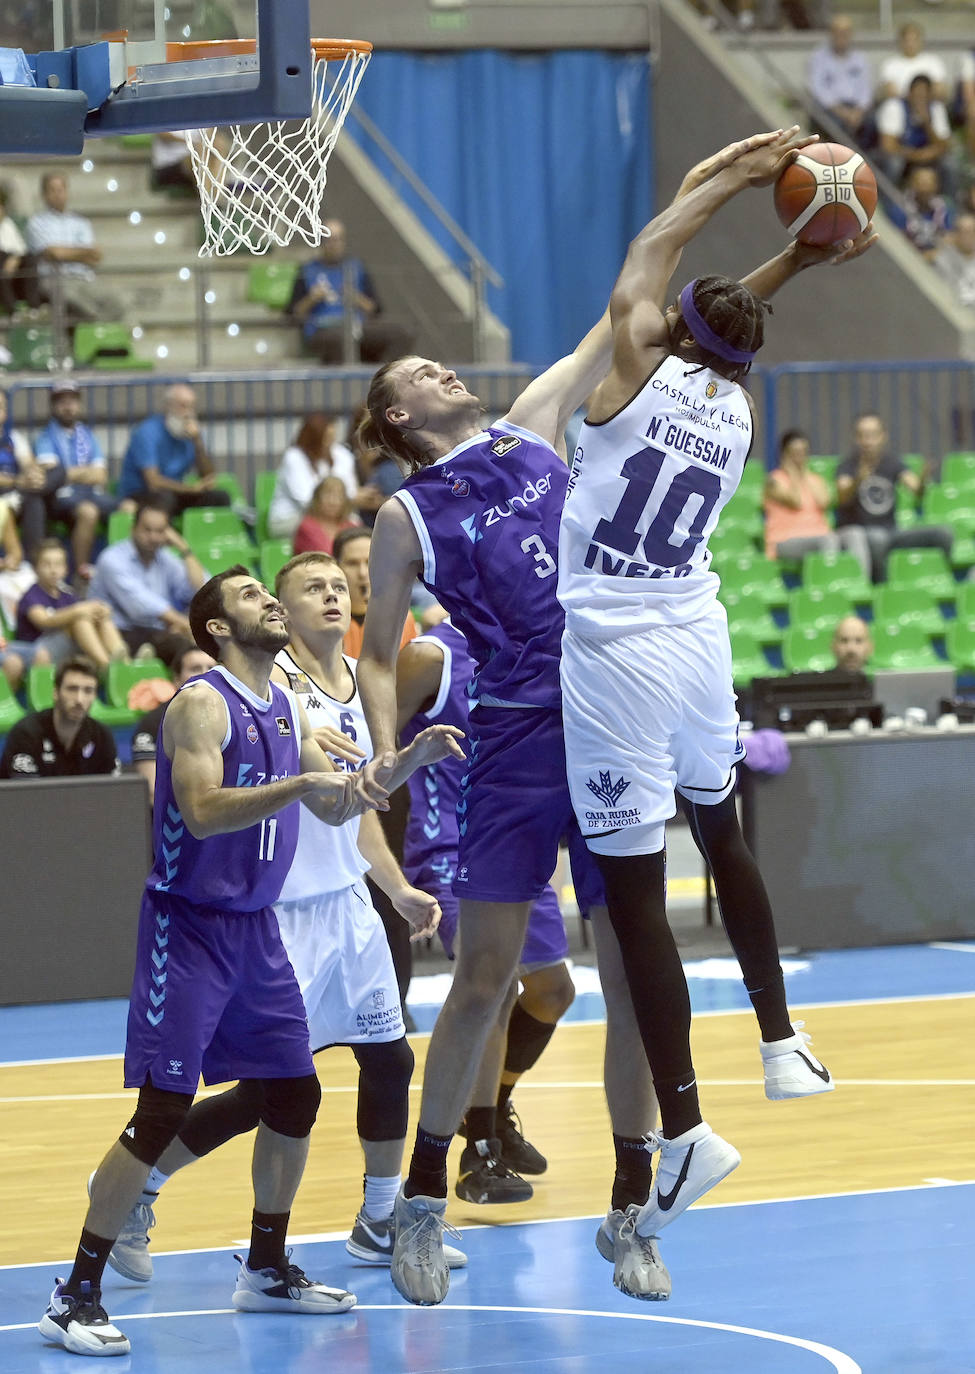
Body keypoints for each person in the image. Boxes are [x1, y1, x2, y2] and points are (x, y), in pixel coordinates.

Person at [352, 135, 805, 1308]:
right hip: (511, 735)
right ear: (394, 421)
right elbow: (374, 650)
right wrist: (385, 755)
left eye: (442, 366)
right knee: (487, 973)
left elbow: (641, 325)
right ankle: (416, 1202)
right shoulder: (405, 516)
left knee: (630, 959)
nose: (444, 372)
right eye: (420, 376)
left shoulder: (529, 421)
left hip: (617, 703)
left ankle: (630, 1209)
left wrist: (778, 253)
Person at [554, 132, 877, 1267]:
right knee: (723, 836)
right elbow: (727, 318)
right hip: (699, 629)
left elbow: (653, 257)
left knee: (635, 897)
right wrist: (805, 245)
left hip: (615, 641)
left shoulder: (631, 374)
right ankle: (782, 1040)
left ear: (668, 333)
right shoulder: (738, 411)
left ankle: (685, 1125)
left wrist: (729, 183)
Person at [37, 565, 387, 1358]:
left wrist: (375, 780)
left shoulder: (288, 704)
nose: (270, 600)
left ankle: (264, 1269)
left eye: (270, 592)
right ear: (219, 629)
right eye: (251, 598)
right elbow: (199, 812)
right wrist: (302, 779)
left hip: (255, 927)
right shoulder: (199, 704)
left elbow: (328, 801)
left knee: (294, 1094)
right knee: (162, 1109)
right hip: (188, 926)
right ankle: (75, 1294)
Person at [97, 552, 466, 1291]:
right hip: (274, 911)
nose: (333, 594)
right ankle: (139, 1191)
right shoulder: (266, 690)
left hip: (346, 902)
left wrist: (392, 885)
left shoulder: (363, 683)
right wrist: (309, 776)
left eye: (341, 584)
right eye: (311, 588)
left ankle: (377, 1217)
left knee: (387, 1060)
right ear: (281, 615)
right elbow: (274, 796)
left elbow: (353, 807)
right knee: (269, 1092)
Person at [396, 618, 579, 1204]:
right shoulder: (430, 655)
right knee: (492, 988)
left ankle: (493, 1112)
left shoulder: (537, 646)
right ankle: (478, 1154)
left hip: (515, 842)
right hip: (449, 845)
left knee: (552, 991)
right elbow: (372, 744)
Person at [835, 413, 952, 581]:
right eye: (863, 436)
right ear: (856, 439)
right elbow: (842, 497)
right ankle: (882, 591)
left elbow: (916, 491)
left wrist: (924, 479)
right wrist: (858, 480)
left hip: (892, 531)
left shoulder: (892, 462)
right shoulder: (847, 466)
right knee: (877, 539)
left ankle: (937, 580)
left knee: (943, 533)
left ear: (883, 436)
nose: (868, 441)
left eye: (873, 435)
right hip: (862, 532)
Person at [89, 497, 208, 659]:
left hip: (157, 633)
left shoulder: (164, 557)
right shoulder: (112, 559)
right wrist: (185, 625)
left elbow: (200, 588)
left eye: (159, 531)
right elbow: (141, 605)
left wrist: (183, 548)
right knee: (187, 649)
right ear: (133, 529)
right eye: (147, 530)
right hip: (121, 633)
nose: (153, 537)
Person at [288, 218, 414, 365]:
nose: (333, 245)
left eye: (337, 240)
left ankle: (383, 378)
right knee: (342, 341)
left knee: (403, 333)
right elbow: (292, 313)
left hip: (356, 325)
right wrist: (312, 298)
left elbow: (375, 310)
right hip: (322, 329)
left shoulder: (356, 267)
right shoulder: (307, 270)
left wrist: (356, 298)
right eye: (329, 240)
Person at [34, 380, 123, 577]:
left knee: (129, 508)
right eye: (62, 401)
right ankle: (80, 575)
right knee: (88, 512)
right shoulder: (45, 437)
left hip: (91, 492)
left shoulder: (87, 435)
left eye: (72, 401)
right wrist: (83, 472)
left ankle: (124, 571)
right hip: (60, 498)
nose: (68, 406)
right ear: (53, 406)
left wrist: (71, 473)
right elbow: (54, 476)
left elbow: (100, 475)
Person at [11, 538, 127, 673]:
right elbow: (44, 621)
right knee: (78, 621)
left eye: (58, 564)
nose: (53, 570)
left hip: (68, 650)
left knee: (100, 618)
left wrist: (100, 611)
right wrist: (77, 611)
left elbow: (84, 613)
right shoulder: (32, 594)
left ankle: (124, 661)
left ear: (66, 569)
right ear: (35, 568)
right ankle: (106, 666)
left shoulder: (68, 595)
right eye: (46, 564)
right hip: (38, 651)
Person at [763, 429, 870, 574]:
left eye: (803, 452)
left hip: (820, 536)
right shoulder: (774, 481)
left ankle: (860, 583)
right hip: (785, 541)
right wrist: (793, 473)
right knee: (827, 540)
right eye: (795, 453)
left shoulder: (814, 479)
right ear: (784, 455)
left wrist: (804, 474)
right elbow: (796, 501)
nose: (800, 457)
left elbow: (824, 502)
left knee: (855, 534)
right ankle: (830, 583)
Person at [116, 384, 231, 518]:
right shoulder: (147, 432)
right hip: (141, 494)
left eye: (192, 407)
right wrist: (190, 489)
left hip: (175, 492)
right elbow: (153, 482)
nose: (188, 413)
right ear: (168, 407)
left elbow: (208, 477)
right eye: (182, 406)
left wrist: (198, 441)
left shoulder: (192, 435)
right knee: (164, 499)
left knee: (220, 498)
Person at [25, 172, 126, 323]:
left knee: (118, 300)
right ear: (44, 194)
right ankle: (96, 332)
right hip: (53, 280)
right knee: (84, 306)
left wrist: (64, 252)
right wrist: (81, 253)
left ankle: (108, 339)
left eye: (61, 189)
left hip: (84, 279)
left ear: (67, 191)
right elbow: (53, 254)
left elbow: (94, 257)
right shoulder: (36, 222)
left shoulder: (81, 222)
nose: (57, 194)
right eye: (52, 190)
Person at [0, 655, 118, 779]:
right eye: (72, 689)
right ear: (56, 693)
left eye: (88, 691)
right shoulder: (26, 733)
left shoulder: (102, 735)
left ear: (95, 696)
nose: (79, 699)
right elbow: (26, 795)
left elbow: (114, 791)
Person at [130, 639, 215, 796]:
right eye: (196, 668)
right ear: (176, 679)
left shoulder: (235, 717)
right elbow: (152, 791)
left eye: (211, 668)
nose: (205, 674)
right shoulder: (153, 723)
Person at [267, 413, 360, 538]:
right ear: (314, 438)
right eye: (326, 438)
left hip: (333, 514)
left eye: (332, 438)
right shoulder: (294, 457)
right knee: (324, 528)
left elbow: (350, 490)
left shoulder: (341, 453)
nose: (330, 444)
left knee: (355, 524)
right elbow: (305, 499)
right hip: (291, 518)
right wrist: (341, 501)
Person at [335, 526, 417, 661]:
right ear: (336, 567)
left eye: (369, 562)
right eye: (352, 563)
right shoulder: (325, 620)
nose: (362, 573)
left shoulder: (401, 619)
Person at [0, 388, 56, 560]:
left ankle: (37, 567)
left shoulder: (12, 438)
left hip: (19, 493)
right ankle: (36, 564)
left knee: (56, 471)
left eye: (0, 407)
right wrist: (18, 482)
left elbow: (29, 462)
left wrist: (33, 474)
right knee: (34, 499)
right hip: (5, 493)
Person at [806, 17, 874, 147]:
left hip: (857, 109)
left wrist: (858, 111)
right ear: (831, 34)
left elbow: (866, 90)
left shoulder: (860, 58)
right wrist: (842, 112)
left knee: (873, 122)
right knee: (833, 124)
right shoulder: (818, 57)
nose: (841, 35)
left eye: (846, 31)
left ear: (851, 34)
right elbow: (817, 90)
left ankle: (863, 159)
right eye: (838, 31)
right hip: (831, 109)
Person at [876, 75, 951, 188]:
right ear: (909, 93)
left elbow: (944, 146)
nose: (920, 98)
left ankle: (948, 203)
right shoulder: (895, 106)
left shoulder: (936, 108)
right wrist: (915, 155)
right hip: (903, 156)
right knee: (894, 164)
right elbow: (888, 146)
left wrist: (927, 123)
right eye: (917, 93)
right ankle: (887, 202)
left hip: (928, 156)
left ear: (930, 95)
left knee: (949, 164)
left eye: (924, 95)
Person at [888, 164, 954, 260]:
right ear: (912, 184)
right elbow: (896, 237)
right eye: (921, 183)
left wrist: (934, 253)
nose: (925, 189)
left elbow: (948, 237)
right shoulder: (900, 206)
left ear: (936, 186)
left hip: (932, 258)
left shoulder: (943, 209)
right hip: (903, 256)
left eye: (928, 184)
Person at [878, 22, 947, 104]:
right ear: (900, 41)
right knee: (892, 106)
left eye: (914, 40)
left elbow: (940, 90)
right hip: (901, 105)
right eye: (907, 40)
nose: (910, 44)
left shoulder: (933, 62)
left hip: (927, 104)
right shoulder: (890, 64)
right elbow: (889, 91)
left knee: (938, 107)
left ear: (920, 41)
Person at [0, 182, 41, 315]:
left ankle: (33, 308)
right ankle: (12, 311)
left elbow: (22, 250)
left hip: (13, 277)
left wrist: (15, 259)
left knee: (31, 259)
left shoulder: (8, 225)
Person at [293, 476, 360, 556]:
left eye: (339, 496)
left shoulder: (351, 526)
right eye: (327, 495)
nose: (333, 501)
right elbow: (323, 557)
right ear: (317, 498)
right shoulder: (306, 527)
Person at [934, 212, 975, 307]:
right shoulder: (942, 258)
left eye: (973, 232)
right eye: (966, 232)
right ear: (956, 234)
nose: (970, 237)